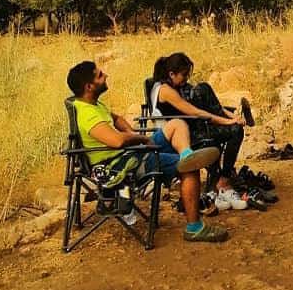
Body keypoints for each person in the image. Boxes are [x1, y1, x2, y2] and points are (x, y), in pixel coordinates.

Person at [66, 60, 228, 244]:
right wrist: (141, 139)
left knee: (176, 124)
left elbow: (117, 119)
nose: (106, 76)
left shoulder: (94, 104)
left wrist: (133, 134)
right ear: (89, 86)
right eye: (100, 75)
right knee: (190, 169)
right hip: (119, 165)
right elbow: (117, 141)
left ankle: (186, 154)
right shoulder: (87, 114)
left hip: (132, 152)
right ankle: (194, 228)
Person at [148, 53, 249, 212]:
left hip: (192, 128)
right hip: (177, 137)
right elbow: (194, 111)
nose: (186, 79)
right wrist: (227, 122)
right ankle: (223, 180)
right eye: (184, 75)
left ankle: (218, 182)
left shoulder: (176, 86)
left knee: (203, 88)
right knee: (235, 131)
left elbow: (209, 107)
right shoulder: (166, 91)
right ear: (171, 74)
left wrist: (232, 116)